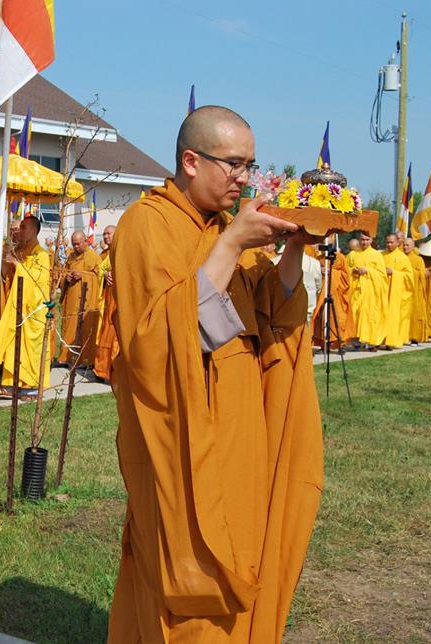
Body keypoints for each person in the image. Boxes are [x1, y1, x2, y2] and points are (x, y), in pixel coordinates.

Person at [108, 106, 323, 642]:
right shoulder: (146, 225)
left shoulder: (226, 228)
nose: (244, 178)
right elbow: (157, 342)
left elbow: (273, 312)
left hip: (240, 437)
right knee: (188, 586)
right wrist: (230, 246)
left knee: (242, 560)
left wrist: (295, 246)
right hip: (182, 443)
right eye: (234, 164)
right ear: (191, 161)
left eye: (250, 165)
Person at [0, 215, 51, 398]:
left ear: (34, 231)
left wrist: (17, 265)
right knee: (13, 344)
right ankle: (11, 385)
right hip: (16, 306)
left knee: (31, 348)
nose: (20, 230)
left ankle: (32, 387)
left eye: (24, 227)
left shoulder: (41, 255)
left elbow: (38, 281)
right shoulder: (19, 250)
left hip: (32, 310)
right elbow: (6, 274)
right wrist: (4, 258)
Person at [57, 230, 102, 368]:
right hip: (71, 298)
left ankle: (85, 360)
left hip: (87, 300)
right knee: (69, 326)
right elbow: (63, 274)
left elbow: (100, 278)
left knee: (85, 328)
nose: (76, 247)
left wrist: (84, 276)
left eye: (78, 244)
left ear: (85, 241)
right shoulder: (70, 257)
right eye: (74, 244)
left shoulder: (94, 257)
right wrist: (66, 277)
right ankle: (65, 358)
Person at [312, 243, 356, 349]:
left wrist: (332, 272)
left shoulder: (339, 257)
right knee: (322, 317)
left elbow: (346, 276)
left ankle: (338, 342)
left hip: (337, 294)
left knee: (337, 317)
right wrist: (319, 271)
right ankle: (324, 342)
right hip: (322, 293)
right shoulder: (318, 259)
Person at [349, 233, 388, 350]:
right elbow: (345, 270)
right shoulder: (352, 254)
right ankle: (355, 340)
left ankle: (370, 341)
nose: (364, 242)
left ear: (371, 240)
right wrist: (353, 270)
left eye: (367, 239)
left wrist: (368, 271)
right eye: (362, 239)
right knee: (354, 314)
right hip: (355, 290)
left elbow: (382, 275)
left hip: (371, 291)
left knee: (370, 315)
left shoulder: (376, 255)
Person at [94, 225, 118, 381]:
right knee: (104, 334)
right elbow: (100, 271)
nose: (106, 236)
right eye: (104, 234)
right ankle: (101, 370)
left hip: (118, 302)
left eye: (109, 233)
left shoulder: (123, 251)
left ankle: (112, 371)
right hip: (107, 300)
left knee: (114, 336)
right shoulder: (107, 255)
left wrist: (116, 274)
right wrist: (106, 275)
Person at [382, 233, 414, 349]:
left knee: (393, 317)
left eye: (392, 242)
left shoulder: (403, 257)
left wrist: (394, 273)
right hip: (382, 291)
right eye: (387, 242)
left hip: (395, 293)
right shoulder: (381, 255)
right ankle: (380, 339)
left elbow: (409, 277)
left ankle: (391, 341)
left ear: (397, 243)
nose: (389, 245)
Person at [405, 237, 429, 344]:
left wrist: (410, 273)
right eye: (404, 245)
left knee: (415, 313)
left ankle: (414, 337)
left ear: (413, 246)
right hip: (403, 289)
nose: (405, 247)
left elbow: (422, 275)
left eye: (407, 245)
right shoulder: (401, 257)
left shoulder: (418, 259)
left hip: (416, 291)